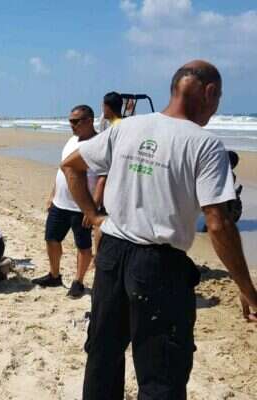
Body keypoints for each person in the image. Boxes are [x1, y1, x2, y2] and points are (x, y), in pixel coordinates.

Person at [61, 60, 257, 399]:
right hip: (159, 268)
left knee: (103, 358)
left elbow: (70, 166)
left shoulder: (127, 127)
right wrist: (247, 289)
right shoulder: (205, 144)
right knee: (161, 376)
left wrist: (93, 215)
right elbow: (218, 222)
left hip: (110, 258)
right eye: (219, 96)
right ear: (209, 92)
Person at [32, 105, 106, 298]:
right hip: (60, 203)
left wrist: (93, 209)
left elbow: (103, 178)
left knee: (83, 246)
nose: (71, 125)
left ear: (89, 121)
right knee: (51, 239)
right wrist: (52, 194)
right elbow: (62, 170)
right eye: (70, 121)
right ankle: (54, 275)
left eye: (75, 121)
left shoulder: (99, 144)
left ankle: (78, 282)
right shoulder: (71, 140)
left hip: (81, 207)